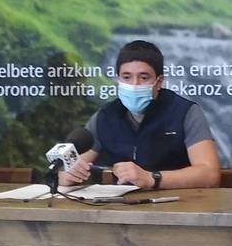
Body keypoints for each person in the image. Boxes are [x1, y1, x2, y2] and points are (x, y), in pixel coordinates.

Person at [60, 40, 220, 189]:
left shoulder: (184, 112)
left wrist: (152, 178)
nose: (134, 84)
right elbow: (67, 170)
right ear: (118, 80)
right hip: (120, 206)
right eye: (126, 77)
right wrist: (67, 175)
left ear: (159, 82)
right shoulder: (105, 116)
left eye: (143, 77)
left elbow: (210, 174)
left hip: (179, 204)